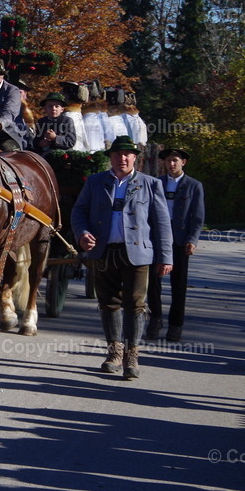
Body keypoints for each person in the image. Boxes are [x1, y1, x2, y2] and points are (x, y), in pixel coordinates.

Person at [71, 135, 173, 379]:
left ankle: (132, 356)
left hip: (137, 253)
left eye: (127, 154)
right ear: (111, 158)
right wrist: (82, 233)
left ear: (135, 158)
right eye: (117, 155)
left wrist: (166, 256)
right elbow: (79, 211)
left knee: (135, 304)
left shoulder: (150, 184)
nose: (122, 158)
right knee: (108, 303)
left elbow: (161, 222)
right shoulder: (96, 182)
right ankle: (114, 353)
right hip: (104, 251)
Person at [146, 147, 205, 342]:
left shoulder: (194, 186)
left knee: (178, 285)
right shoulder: (156, 183)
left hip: (180, 241)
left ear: (183, 162)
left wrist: (192, 239)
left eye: (175, 160)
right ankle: (155, 319)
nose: (171, 164)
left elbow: (197, 217)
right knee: (153, 283)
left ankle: (175, 324)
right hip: (157, 240)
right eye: (168, 160)